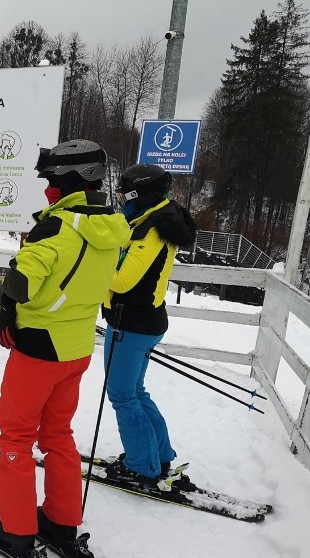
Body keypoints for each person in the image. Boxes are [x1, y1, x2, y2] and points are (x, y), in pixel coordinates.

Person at [0, 140, 130, 558]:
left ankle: (16, 529)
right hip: (77, 347)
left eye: (51, 180)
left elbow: (24, 284)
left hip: (40, 347)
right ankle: (61, 521)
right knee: (58, 435)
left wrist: (4, 306)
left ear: (70, 182)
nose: (46, 189)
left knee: (16, 438)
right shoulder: (111, 225)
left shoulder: (57, 227)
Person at [102, 164, 197, 486]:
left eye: (124, 195)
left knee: (122, 395)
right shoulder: (157, 218)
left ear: (138, 194)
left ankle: (142, 465)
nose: (121, 201)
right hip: (142, 321)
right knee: (135, 391)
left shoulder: (152, 228)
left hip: (133, 322)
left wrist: (92, 275)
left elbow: (124, 281)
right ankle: (160, 454)